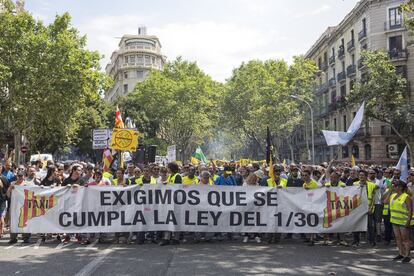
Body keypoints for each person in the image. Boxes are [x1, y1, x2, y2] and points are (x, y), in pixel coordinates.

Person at [384, 180, 413, 263]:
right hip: (394, 221)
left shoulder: (406, 196)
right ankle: (401, 253)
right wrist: (389, 192)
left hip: (403, 221)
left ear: (400, 187)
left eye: (395, 186)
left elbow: (410, 210)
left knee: (405, 239)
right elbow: (385, 202)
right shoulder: (393, 195)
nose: (393, 187)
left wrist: (408, 221)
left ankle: (407, 255)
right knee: (398, 238)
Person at [6, 170, 33, 244]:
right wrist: (10, 188)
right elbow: (8, 195)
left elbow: (35, 191)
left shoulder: (28, 184)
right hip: (14, 206)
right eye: (19, 176)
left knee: (25, 221)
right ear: (16, 176)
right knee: (14, 222)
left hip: (25, 206)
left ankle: (26, 237)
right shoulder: (12, 184)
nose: (20, 177)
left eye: (21, 176)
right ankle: (13, 238)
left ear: (24, 177)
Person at [353, 170, 378, 247]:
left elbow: (374, 198)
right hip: (357, 209)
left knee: (370, 226)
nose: (361, 176)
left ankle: (372, 241)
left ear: (366, 176)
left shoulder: (371, 185)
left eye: (363, 175)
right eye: (360, 175)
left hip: (368, 209)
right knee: (356, 225)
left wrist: (371, 208)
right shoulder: (354, 184)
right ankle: (356, 241)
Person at [302, 169, 318, 246]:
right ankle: (310, 237)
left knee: (312, 221)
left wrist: (310, 191)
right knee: (308, 221)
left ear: (309, 175)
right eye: (303, 175)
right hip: (306, 204)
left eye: (306, 175)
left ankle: (312, 238)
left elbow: (317, 194)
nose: (304, 177)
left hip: (313, 204)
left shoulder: (314, 183)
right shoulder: (304, 184)